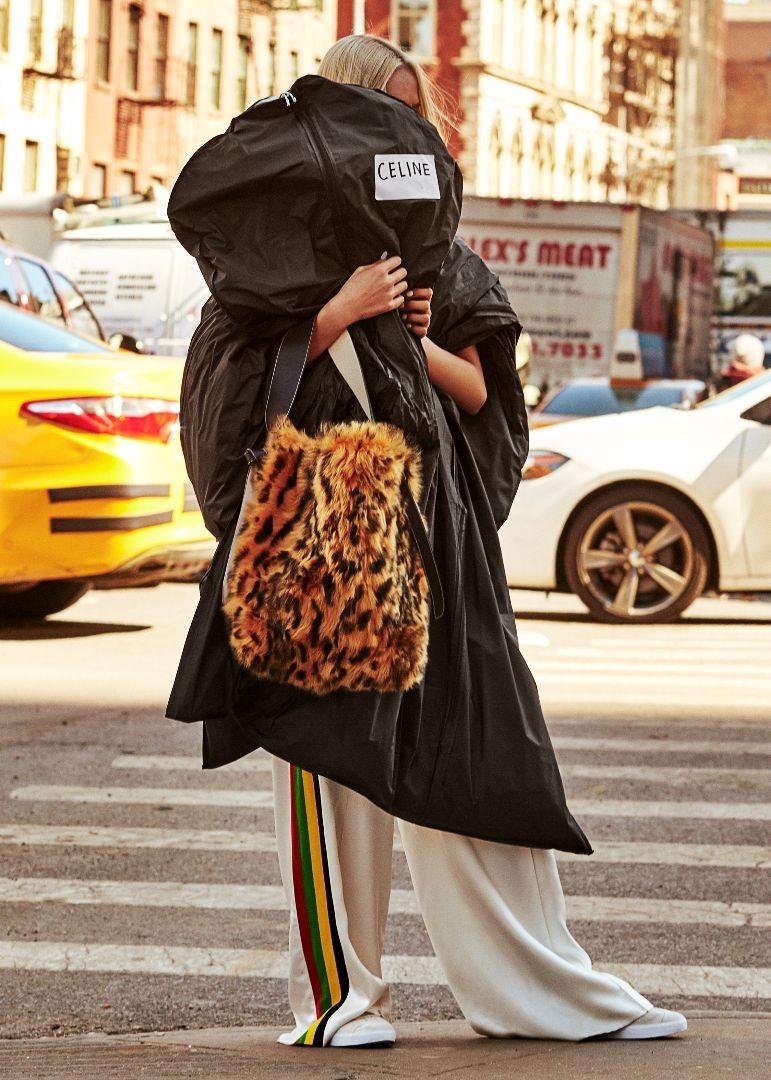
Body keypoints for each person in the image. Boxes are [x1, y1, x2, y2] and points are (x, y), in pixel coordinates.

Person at [168, 34, 687, 1049]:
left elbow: (485, 396)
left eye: (417, 114)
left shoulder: (439, 254)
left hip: (431, 531)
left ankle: (539, 992)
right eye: (389, 112)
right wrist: (334, 313)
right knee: (326, 768)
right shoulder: (270, 251)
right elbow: (229, 395)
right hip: (321, 527)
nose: (410, 131)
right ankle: (338, 1003)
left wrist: (412, 333)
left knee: (479, 757)